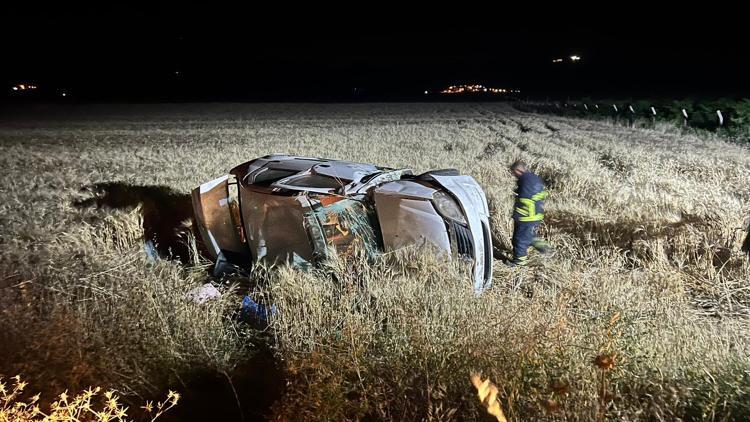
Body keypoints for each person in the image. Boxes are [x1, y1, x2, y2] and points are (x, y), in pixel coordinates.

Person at [507, 160, 551, 267]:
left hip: (526, 217)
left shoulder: (525, 180)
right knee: (529, 236)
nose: (514, 176)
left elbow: (525, 199)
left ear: (518, 170)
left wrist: (517, 214)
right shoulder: (534, 178)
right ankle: (546, 248)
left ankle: (519, 263)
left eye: (514, 173)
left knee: (520, 239)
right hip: (535, 215)